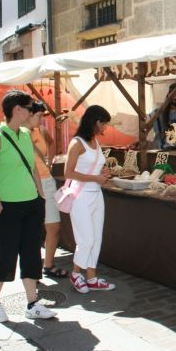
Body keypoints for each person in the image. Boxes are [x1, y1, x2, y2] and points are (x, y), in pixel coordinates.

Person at [0, 90, 56, 322]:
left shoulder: (26, 134)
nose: (31, 111)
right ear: (17, 109)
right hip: (8, 206)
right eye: (28, 106)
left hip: (31, 203)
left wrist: (40, 196)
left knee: (32, 253)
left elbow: (33, 167)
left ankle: (32, 302)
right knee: (5, 254)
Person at [64, 105, 115, 293]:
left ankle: (91, 277)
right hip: (81, 196)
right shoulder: (77, 143)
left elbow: (95, 168)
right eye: (104, 124)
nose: (105, 128)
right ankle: (76, 273)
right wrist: (95, 177)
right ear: (96, 122)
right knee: (85, 239)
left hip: (96, 194)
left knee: (96, 238)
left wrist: (104, 172)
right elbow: (68, 172)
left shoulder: (95, 141)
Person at [27, 103, 67, 279]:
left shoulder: (40, 130)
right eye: (38, 115)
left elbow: (50, 143)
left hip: (47, 182)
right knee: (33, 229)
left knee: (54, 226)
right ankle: (32, 269)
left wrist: (48, 163)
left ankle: (48, 264)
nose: (41, 119)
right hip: (29, 184)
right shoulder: (19, 134)